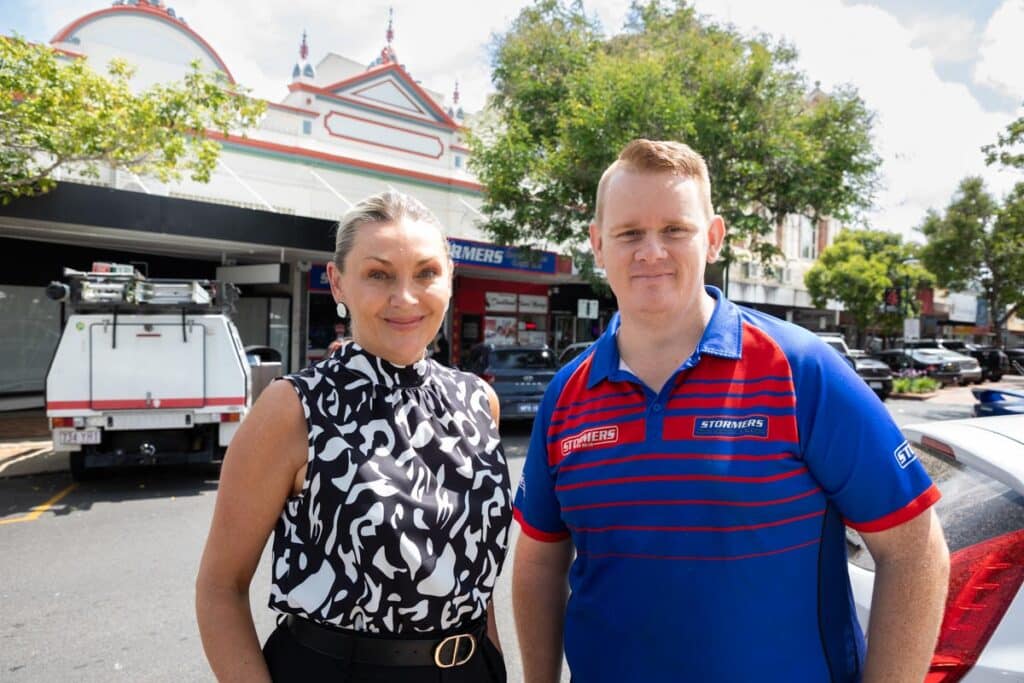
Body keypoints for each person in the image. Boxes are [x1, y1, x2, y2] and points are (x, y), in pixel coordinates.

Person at [511, 139, 950, 682]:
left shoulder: (801, 370)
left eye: (675, 229)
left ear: (713, 237)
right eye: (629, 233)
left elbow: (914, 549)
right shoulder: (565, 396)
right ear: (598, 245)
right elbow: (538, 561)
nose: (651, 250)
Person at [196, 190, 513, 682]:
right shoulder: (294, 408)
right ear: (338, 283)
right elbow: (221, 588)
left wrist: (493, 664)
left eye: (426, 273)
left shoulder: (478, 401)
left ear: (450, 279)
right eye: (379, 274)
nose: (404, 297)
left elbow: (472, 575)